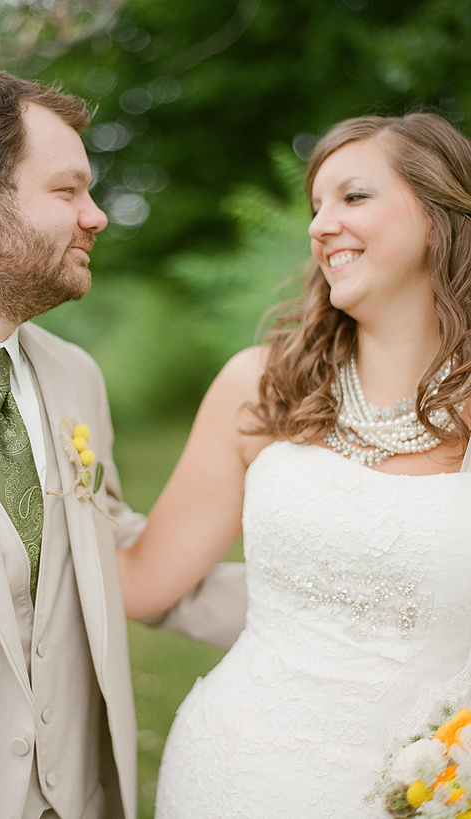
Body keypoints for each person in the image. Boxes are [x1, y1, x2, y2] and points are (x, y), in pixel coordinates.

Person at [0, 70, 246, 819]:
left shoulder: (75, 378)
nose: (97, 216)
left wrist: (324, 603)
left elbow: (107, 550)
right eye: (68, 191)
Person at [116, 112, 471, 817]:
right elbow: (142, 584)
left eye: (354, 196)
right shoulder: (261, 385)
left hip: (422, 793)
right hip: (232, 773)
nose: (320, 225)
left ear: (439, 212)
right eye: (316, 207)